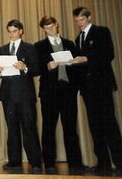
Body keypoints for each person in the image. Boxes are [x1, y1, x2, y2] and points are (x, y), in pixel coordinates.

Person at [70, 7, 122, 174]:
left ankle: (121, 164)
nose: (78, 24)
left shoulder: (101, 31)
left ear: (89, 17)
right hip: (87, 89)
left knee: (109, 124)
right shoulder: (78, 38)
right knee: (94, 126)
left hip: (101, 86)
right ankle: (102, 163)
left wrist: (87, 58)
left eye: (81, 20)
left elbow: (108, 54)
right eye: (76, 21)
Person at [33, 16, 83, 172]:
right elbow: (36, 68)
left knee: (70, 127)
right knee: (48, 128)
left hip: (68, 91)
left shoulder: (69, 44)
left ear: (57, 25)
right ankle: (49, 163)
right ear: (43, 29)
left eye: (51, 26)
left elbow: (78, 69)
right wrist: (48, 65)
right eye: (46, 28)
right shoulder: (39, 46)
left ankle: (75, 163)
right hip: (49, 92)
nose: (50, 29)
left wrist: (74, 63)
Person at [0, 19, 42, 171]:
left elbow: (37, 69)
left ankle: (35, 162)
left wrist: (25, 67)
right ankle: (14, 161)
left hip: (25, 94)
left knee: (29, 128)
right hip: (8, 95)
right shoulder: (2, 49)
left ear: (20, 31)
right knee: (12, 129)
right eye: (9, 31)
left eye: (14, 31)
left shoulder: (29, 48)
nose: (11, 34)